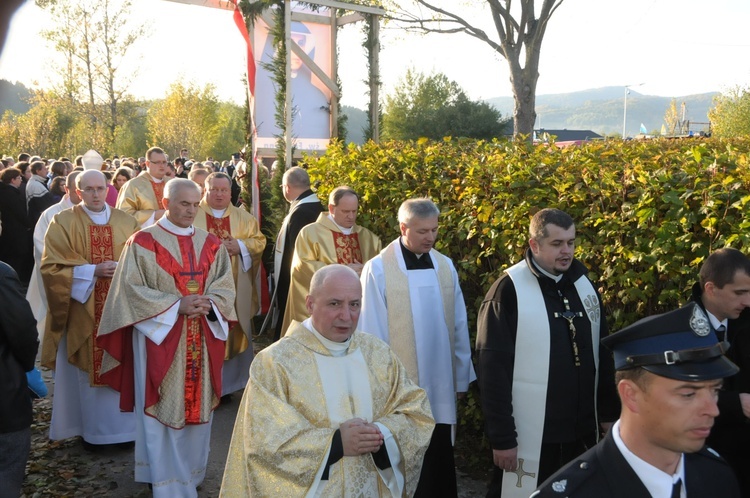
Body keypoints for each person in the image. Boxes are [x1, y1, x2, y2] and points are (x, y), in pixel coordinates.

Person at [220, 264, 434, 496]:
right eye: (335, 304)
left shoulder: (378, 353)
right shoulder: (275, 363)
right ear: (310, 304)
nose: (346, 316)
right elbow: (264, 442)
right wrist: (336, 443)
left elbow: (417, 411)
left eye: (354, 304)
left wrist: (381, 432)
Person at [97, 178, 236, 497]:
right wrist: (176, 305)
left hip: (201, 337)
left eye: (194, 203)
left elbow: (224, 285)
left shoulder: (211, 243)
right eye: (183, 203)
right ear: (165, 201)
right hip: (158, 339)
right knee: (161, 404)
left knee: (197, 407)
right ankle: (161, 477)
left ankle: (191, 473)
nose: (190, 210)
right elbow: (128, 292)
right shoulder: (142, 242)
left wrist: (210, 302)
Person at [475, 208, 618, 497]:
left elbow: (602, 357)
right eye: (557, 244)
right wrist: (502, 438)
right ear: (534, 245)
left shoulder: (584, 286)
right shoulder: (508, 292)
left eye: (571, 242)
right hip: (533, 439)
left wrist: (608, 414)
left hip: (581, 434)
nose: (567, 251)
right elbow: (493, 370)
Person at [533, 303, 741, 497]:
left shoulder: (717, 476)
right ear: (630, 395)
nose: (712, 410)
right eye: (688, 394)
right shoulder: (578, 491)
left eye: (715, 390)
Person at [359, 197, 476, 497]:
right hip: (400, 384)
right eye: (423, 231)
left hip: (440, 379)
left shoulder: (444, 266)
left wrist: (460, 376)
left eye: (434, 230)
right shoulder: (379, 270)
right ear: (403, 228)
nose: (431, 238)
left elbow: (459, 324)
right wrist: (380, 384)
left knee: (438, 450)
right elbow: (370, 330)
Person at [40, 170, 139, 447]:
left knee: (121, 362)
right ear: (78, 192)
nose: (96, 194)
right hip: (83, 311)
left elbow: (142, 261)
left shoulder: (126, 221)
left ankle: (126, 432)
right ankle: (91, 433)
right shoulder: (63, 221)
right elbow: (51, 268)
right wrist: (91, 271)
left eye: (100, 188)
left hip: (120, 310)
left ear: (108, 189)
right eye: (89, 189)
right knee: (86, 374)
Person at [194, 172, 266, 397]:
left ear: (230, 192)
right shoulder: (193, 213)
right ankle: (202, 385)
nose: (219, 194)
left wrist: (241, 246)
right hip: (200, 287)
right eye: (214, 189)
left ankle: (229, 387)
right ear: (205, 190)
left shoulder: (243, 217)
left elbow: (259, 240)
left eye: (224, 190)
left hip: (235, 286)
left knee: (234, 328)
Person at [688, 248, 750, 495]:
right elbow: (681, 391)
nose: (748, 301)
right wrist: (736, 403)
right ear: (711, 289)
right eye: (740, 293)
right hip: (702, 455)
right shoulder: (680, 329)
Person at [281, 186, 382, 334]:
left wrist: (365, 270)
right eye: (346, 211)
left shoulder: (368, 238)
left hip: (356, 314)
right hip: (325, 310)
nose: (351, 216)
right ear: (331, 208)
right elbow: (302, 267)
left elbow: (378, 271)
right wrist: (343, 270)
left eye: (354, 211)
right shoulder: (310, 233)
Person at [26, 171, 81, 347]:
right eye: (78, 190)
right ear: (67, 189)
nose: (83, 195)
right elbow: (42, 245)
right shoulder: (51, 215)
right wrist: (72, 265)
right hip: (61, 273)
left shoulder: (95, 213)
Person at [0, 261, 39, 498]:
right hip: (4, 393)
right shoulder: (2, 274)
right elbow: (23, 330)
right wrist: (23, 367)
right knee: (6, 469)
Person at [272, 166, 323, 341]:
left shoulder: (302, 212)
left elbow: (298, 253)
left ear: (287, 187)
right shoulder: (312, 206)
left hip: (298, 282)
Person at [116, 146, 169, 227]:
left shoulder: (173, 183)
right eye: (158, 162)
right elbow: (124, 215)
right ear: (148, 164)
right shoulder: (133, 185)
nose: (162, 165)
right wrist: (153, 215)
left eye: (164, 162)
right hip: (144, 236)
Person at [0, 167, 33, 284]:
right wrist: (28, 224)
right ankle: (14, 282)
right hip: (16, 231)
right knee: (16, 257)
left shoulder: (6, 192)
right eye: (19, 178)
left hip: (10, 230)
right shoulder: (10, 194)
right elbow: (19, 212)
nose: (21, 180)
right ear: (13, 180)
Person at [25, 160, 55, 228]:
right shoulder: (36, 185)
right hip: (40, 222)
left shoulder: (36, 182)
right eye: (44, 169)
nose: (47, 171)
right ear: (38, 171)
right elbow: (44, 206)